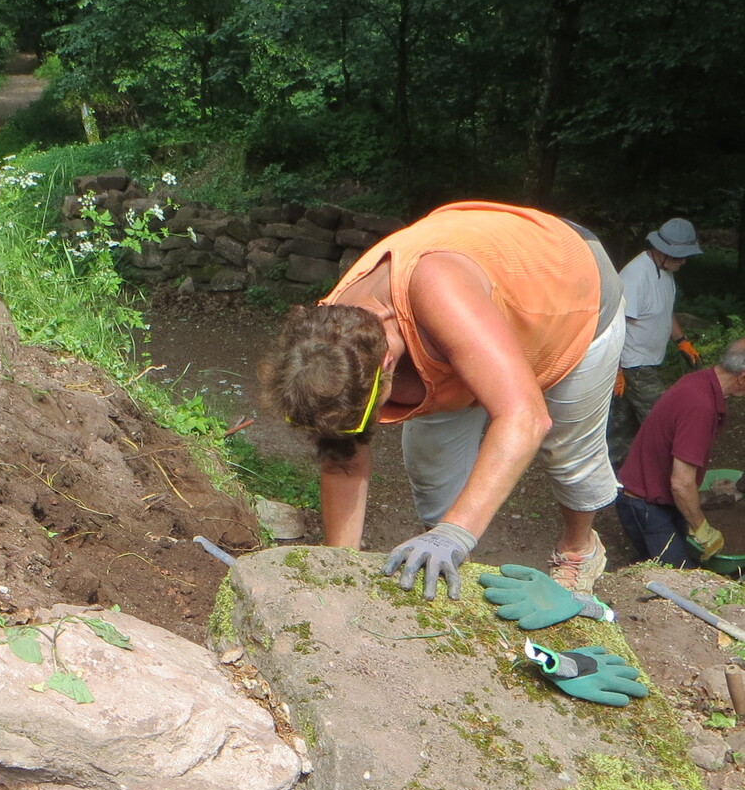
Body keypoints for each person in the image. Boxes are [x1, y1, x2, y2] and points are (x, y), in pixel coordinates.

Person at [260, 200, 624, 602]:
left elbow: (525, 417)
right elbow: (342, 458)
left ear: (386, 364)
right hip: (462, 316)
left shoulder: (439, 292)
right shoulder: (331, 337)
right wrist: (341, 571)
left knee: (567, 452)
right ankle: (446, 558)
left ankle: (578, 551)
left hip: (568, 286)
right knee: (432, 462)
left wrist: (455, 533)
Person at [614, 336, 745, 567]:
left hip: (650, 494)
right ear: (744, 377)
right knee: (680, 577)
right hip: (644, 504)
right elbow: (681, 483)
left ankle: (647, 561)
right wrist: (702, 529)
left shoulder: (699, 380)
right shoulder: (700, 406)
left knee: (663, 560)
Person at [608, 217, 702, 466]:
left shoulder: (666, 272)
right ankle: (666, 472)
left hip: (648, 361)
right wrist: (617, 369)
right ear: (661, 249)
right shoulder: (635, 276)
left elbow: (666, 311)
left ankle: (617, 471)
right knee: (662, 417)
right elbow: (616, 325)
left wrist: (682, 341)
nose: (683, 261)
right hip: (634, 364)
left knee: (623, 424)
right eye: (679, 255)